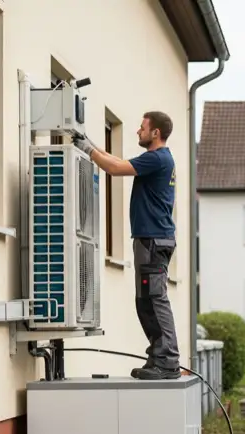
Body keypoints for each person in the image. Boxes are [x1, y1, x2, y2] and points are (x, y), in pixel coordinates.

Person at [71, 111, 180, 381]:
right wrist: (90, 143)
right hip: (152, 239)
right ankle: (159, 356)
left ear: (156, 133)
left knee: (154, 299)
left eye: (142, 128)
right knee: (146, 301)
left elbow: (115, 169)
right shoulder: (157, 159)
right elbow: (118, 161)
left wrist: (87, 149)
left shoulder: (157, 158)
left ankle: (167, 361)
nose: (137, 131)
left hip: (153, 240)